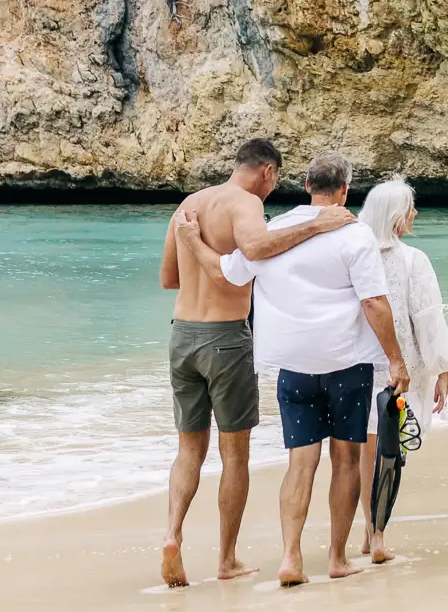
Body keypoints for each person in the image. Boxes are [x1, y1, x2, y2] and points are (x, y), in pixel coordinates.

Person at [175, 153, 409, 587]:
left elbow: (225, 274)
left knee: (300, 462)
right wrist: (396, 358)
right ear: (344, 191)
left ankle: (291, 557)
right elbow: (374, 302)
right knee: (344, 460)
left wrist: (192, 241)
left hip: (293, 366)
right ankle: (337, 558)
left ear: (305, 184)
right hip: (346, 363)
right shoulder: (354, 234)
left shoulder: (273, 230)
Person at [157, 137, 354, 588]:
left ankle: (171, 534)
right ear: (267, 172)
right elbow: (257, 249)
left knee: (188, 449)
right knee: (234, 455)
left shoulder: (189, 204)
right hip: (225, 338)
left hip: (181, 334)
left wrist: (197, 248)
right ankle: (226, 559)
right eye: (275, 181)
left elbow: (169, 278)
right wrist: (317, 225)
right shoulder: (245, 203)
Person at [353, 176, 448, 564]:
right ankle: (377, 534)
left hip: (355, 363)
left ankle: (367, 529)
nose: (415, 214)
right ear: (396, 217)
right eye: (410, 208)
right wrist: (442, 368)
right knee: (390, 453)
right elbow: (427, 319)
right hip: (400, 368)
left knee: (364, 452)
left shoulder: (353, 255)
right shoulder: (414, 259)